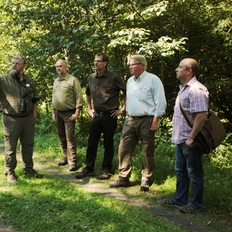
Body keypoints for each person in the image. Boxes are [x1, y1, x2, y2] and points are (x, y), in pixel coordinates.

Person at [109, 54, 167, 191]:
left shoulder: (153, 79)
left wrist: (155, 121)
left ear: (141, 65)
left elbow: (161, 102)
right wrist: (126, 111)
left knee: (147, 150)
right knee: (124, 147)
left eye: (132, 64)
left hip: (147, 120)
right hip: (131, 120)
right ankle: (123, 177)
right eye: (129, 64)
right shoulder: (130, 81)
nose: (129, 67)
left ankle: (146, 178)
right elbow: (128, 98)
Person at [161, 58, 209, 213]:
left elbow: (201, 116)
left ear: (189, 71)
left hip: (190, 140)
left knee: (194, 173)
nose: (176, 69)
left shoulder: (196, 89)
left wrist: (191, 138)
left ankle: (195, 204)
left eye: (180, 67)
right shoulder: (184, 88)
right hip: (181, 139)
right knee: (181, 170)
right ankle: (179, 199)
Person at [75, 53, 126, 180]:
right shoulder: (91, 77)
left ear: (105, 63)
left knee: (108, 144)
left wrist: (123, 109)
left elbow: (128, 91)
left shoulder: (114, 77)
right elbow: (87, 93)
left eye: (98, 61)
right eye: (95, 61)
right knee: (92, 142)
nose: (95, 63)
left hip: (110, 116)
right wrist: (89, 108)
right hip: (96, 115)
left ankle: (106, 169)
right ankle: (89, 168)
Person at [0, 55, 42, 182]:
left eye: (17, 63)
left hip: (28, 118)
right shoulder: (3, 79)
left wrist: (34, 115)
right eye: (12, 63)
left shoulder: (28, 79)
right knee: (10, 147)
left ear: (23, 66)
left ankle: (28, 168)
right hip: (11, 119)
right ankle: (9, 171)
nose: (14, 65)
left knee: (28, 145)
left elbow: (35, 99)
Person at [52, 59, 83, 172]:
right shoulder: (56, 81)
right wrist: (53, 112)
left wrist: (76, 113)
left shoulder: (72, 80)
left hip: (69, 113)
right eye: (56, 67)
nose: (58, 68)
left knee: (70, 137)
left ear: (66, 67)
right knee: (62, 137)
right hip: (58, 113)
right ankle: (66, 157)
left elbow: (79, 97)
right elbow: (53, 97)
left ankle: (73, 161)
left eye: (60, 66)